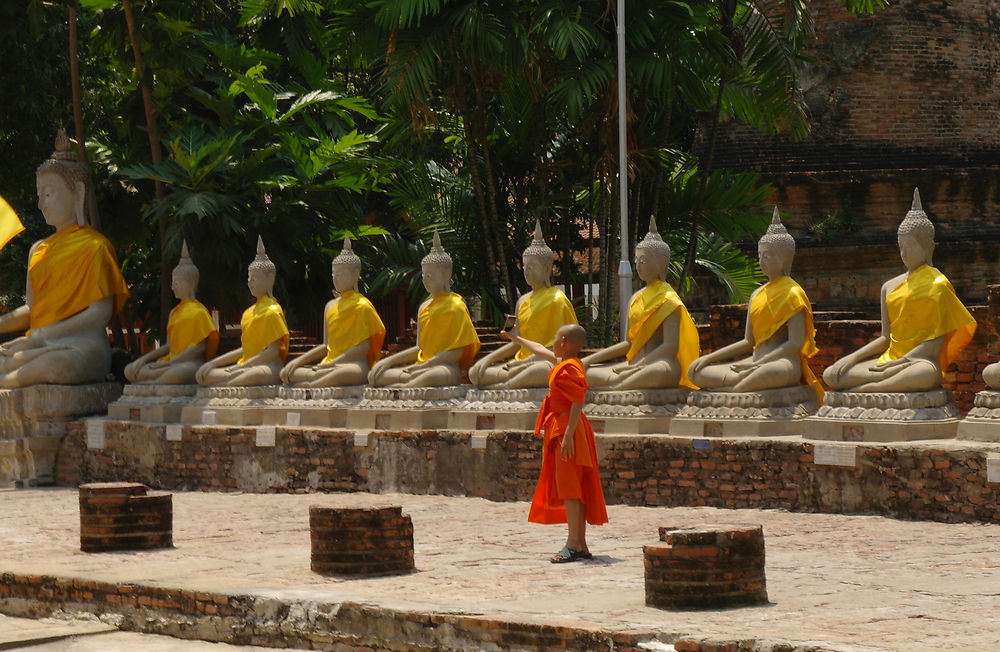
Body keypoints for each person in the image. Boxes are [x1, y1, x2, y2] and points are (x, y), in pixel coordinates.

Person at [0, 129, 129, 388]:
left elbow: (99, 314)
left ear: (78, 193)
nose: (41, 204)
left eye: (48, 194)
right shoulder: (38, 249)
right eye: (39, 195)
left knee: (57, 365)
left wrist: (42, 337)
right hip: (36, 344)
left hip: (80, 346)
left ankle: (9, 380)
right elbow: (34, 309)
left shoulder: (95, 246)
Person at [823, 189, 975, 393]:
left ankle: (868, 390)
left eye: (909, 246)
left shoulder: (938, 284)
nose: (903, 253)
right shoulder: (889, 286)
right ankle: (878, 384)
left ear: (928, 247)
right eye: (900, 246)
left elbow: (935, 345)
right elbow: (886, 338)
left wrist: (901, 363)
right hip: (888, 361)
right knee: (831, 374)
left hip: (917, 363)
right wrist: (852, 357)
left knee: (925, 375)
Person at [687, 208, 822, 398]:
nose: (761, 261)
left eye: (767, 256)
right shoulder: (757, 294)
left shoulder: (794, 293)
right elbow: (748, 341)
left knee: (768, 373)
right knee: (696, 371)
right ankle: (739, 390)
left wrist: (758, 363)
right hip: (752, 364)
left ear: (783, 258)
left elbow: (795, 343)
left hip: (782, 364)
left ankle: (730, 394)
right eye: (760, 255)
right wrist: (710, 357)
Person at [502, 323, 608, 563]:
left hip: (566, 429)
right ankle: (580, 543)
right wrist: (515, 338)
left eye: (554, 337)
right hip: (566, 427)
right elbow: (539, 349)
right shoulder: (565, 363)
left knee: (570, 488)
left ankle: (572, 543)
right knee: (573, 487)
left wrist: (568, 435)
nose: (550, 342)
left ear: (563, 342)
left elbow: (577, 400)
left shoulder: (569, 368)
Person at [583, 218, 699, 390]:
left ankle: (617, 388)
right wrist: (589, 359)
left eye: (643, 261)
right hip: (633, 365)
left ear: (662, 264)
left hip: (661, 365)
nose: (638, 265)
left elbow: (670, 346)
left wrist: (640, 365)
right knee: (587, 372)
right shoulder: (636, 298)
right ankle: (619, 385)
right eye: (637, 260)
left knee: (654, 374)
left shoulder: (669, 299)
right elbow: (628, 344)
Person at [469, 220, 577, 389]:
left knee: (536, 372)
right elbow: (516, 342)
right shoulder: (522, 301)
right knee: (475, 374)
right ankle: (507, 382)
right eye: (525, 265)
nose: (527, 271)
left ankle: (503, 387)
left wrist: (529, 361)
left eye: (532, 266)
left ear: (548, 268)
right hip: (521, 363)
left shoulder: (557, 299)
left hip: (546, 363)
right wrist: (488, 359)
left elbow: (565, 348)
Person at [368, 230, 480, 387]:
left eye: (431, 275)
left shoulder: (456, 306)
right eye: (423, 275)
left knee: (431, 376)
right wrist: (388, 361)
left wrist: (426, 366)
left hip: (445, 369)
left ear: (446, 274)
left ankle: (407, 388)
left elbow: (458, 352)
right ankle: (410, 385)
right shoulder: (424, 307)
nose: (426, 280)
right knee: (376, 376)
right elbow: (420, 348)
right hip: (422, 367)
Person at [280, 235, 385, 387]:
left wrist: (334, 363)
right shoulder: (330, 306)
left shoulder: (362, 305)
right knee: (292, 373)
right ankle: (317, 381)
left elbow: (364, 347)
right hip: (328, 364)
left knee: (343, 373)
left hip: (353, 365)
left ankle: (313, 386)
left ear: (355, 275)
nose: (335, 278)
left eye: (340, 274)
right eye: (333, 274)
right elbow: (326, 346)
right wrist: (298, 361)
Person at [195, 236, 289, 387]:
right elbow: (245, 350)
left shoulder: (273, 309)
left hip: (267, 367)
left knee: (249, 376)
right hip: (246, 365)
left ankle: (228, 384)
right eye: (249, 277)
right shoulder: (248, 313)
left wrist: (243, 367)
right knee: (204, 375)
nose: (250, 282)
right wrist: (213, 363)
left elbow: (273, 352)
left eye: (255, 278)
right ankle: (228, 381)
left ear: (270, 280)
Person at [124, 241, 218, 384]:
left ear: (190, 284)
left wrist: (170, 363)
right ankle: (154, 383)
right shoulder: (174, 312)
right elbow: (169, 346)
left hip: (190, 363)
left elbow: (200, 348)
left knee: (176, 373)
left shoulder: (199, 312)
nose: (173, 287)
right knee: (130, 370)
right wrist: (144, 359)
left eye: (176, 283)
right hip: (170, 362)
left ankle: (153, 385)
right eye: (173, 283)